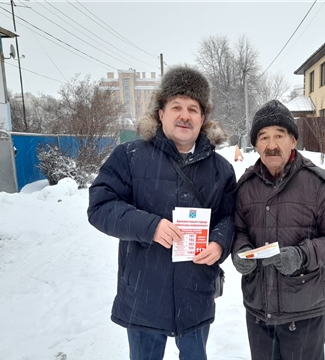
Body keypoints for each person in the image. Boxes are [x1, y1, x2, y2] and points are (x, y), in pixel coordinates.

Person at [87, 65, 236, 360]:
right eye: (176, 106)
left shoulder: (221, 170)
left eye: (193, 108)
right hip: (144, 294)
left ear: (203, 118)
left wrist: (219, 242)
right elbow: (100, 206)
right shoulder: (129, 157)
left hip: (196, 292)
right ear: (161, 113)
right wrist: (150, 226)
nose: (185, 115)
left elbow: (230, 217)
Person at [231, 99, 325, 360]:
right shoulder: (245, 186)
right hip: (258, 313)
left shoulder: (318, 184)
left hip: (304, 315)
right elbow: (239, 231)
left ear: (293, 140)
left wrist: (302, 256)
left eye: (279, 135)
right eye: (263, 137)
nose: (272, 145)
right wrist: (240, 251)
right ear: (255, 145)